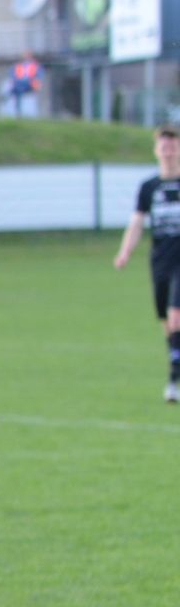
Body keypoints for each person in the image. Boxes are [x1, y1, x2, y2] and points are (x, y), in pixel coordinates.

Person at [111, 124, 180, 403]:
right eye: (164, 146)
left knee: (176, 315)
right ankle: (175, 363)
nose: (168, 150)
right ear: (156, 151)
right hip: (160, 260)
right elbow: (137, 222)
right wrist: (125, 252)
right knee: (166, 321)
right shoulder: (148, 187)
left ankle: (173, 380)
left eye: (173, 145)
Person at [6, 51, 41, 118]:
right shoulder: (17, 66)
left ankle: (11, 93)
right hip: (19, 83)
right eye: (24, 56)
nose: (26, 57)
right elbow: (11, 74)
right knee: (18, 86)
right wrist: (14, 80)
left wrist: (35, 81)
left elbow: (39, 75)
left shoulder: (35, 66)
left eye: (27, 56)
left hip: (30, 83)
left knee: (17, 88)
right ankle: (18, 112)